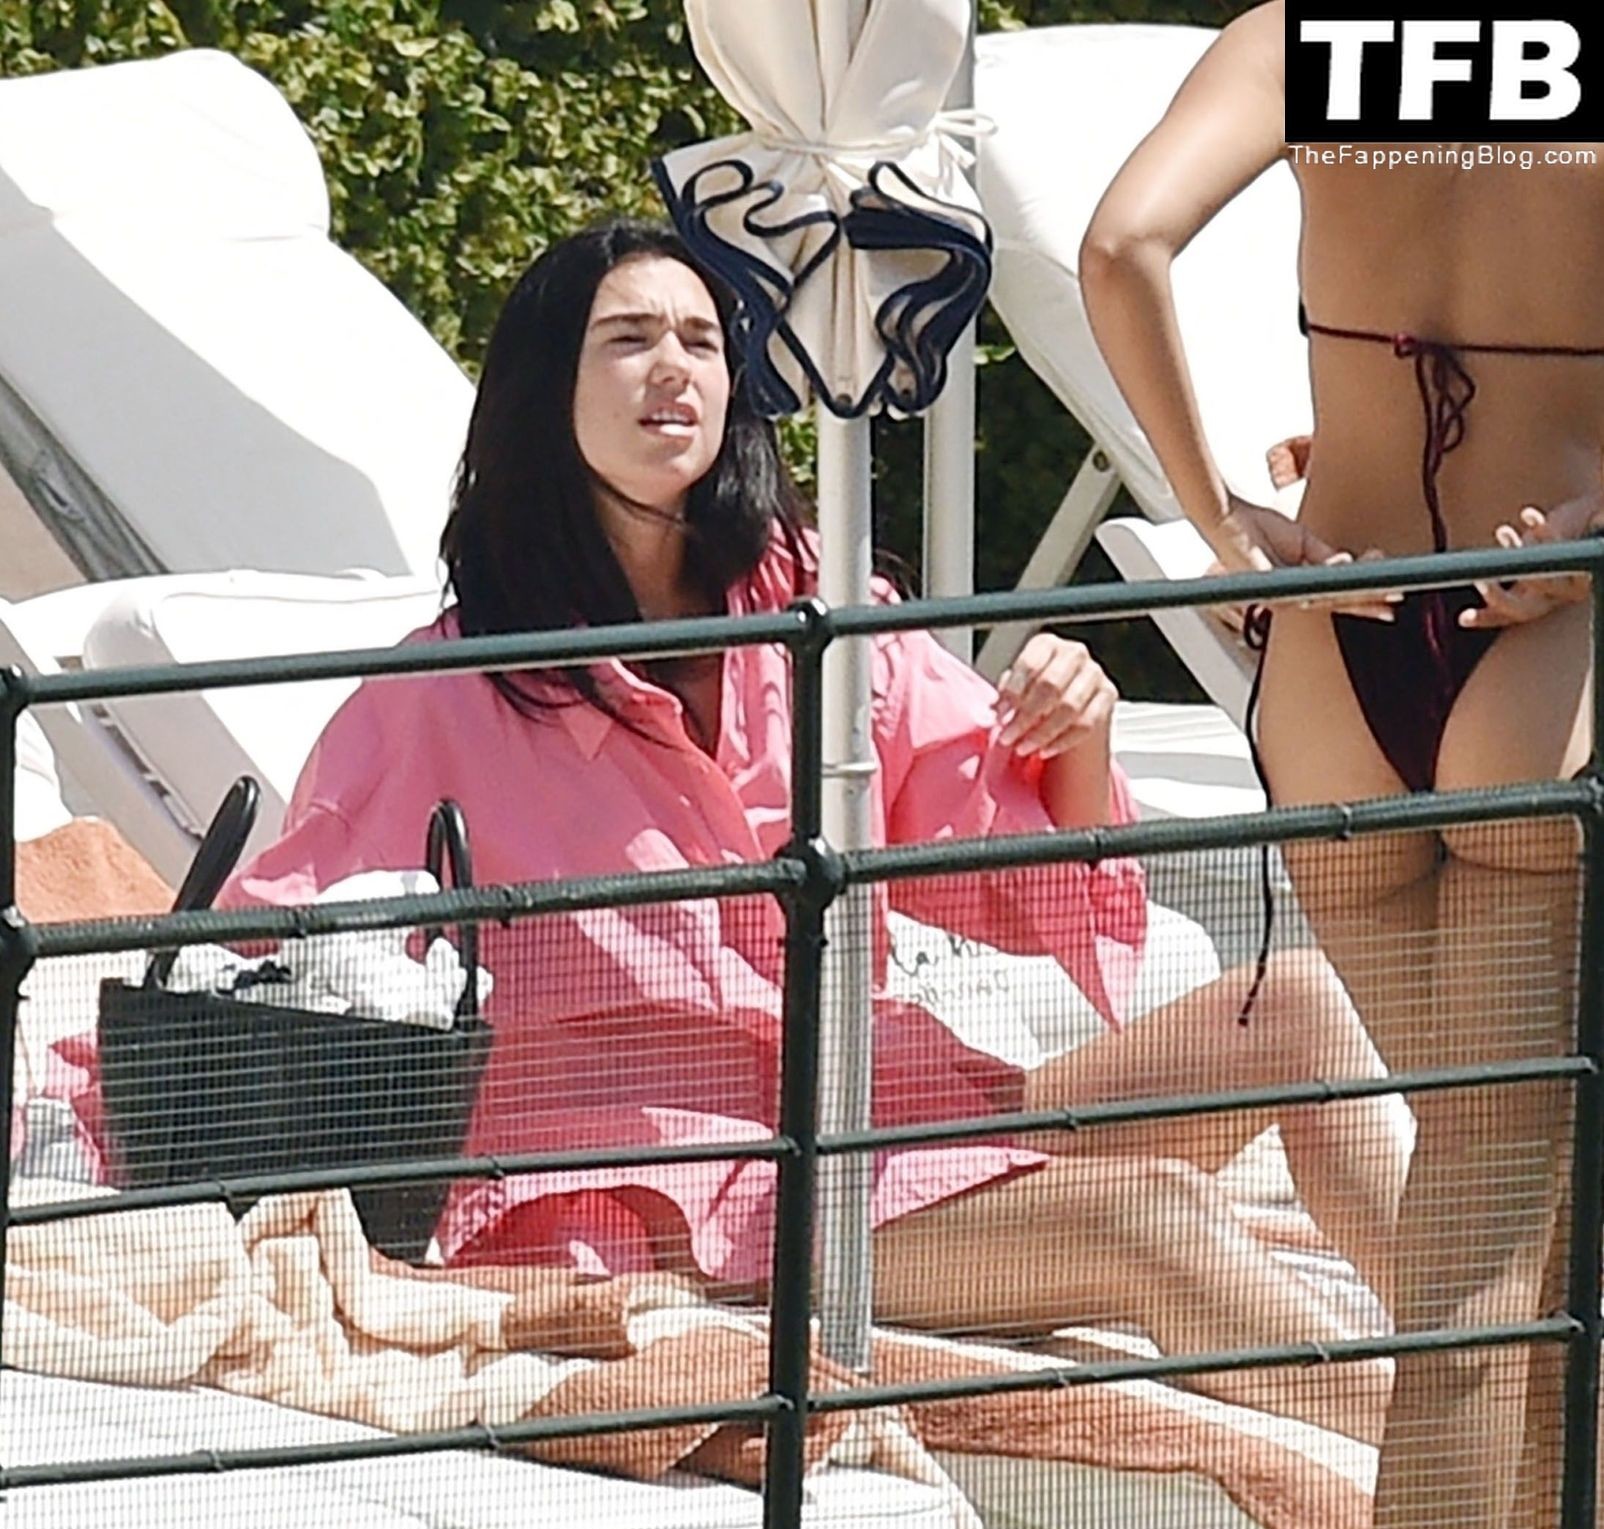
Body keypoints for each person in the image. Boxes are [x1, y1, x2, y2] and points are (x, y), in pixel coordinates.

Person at [225, 217, 1404, 1444]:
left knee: (1296, 1008)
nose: (674, 366)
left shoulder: (815, 619)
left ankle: (1495, 1361)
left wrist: (1078, 733)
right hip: (673, 1196)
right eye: (627, 339)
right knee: (1146, 1217)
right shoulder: (443, 695)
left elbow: (1020, 872)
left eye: (700, 340)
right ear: (543, 385)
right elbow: (269, 955)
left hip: (867, 1113)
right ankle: (1474, 1467)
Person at [1077, 0, 1603, 1529]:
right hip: (1547, 644)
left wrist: (1221, 524)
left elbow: (1120, 245)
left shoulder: (1313, 41)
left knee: (1514, 1253)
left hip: (1333, 647)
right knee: (1486, 1273)